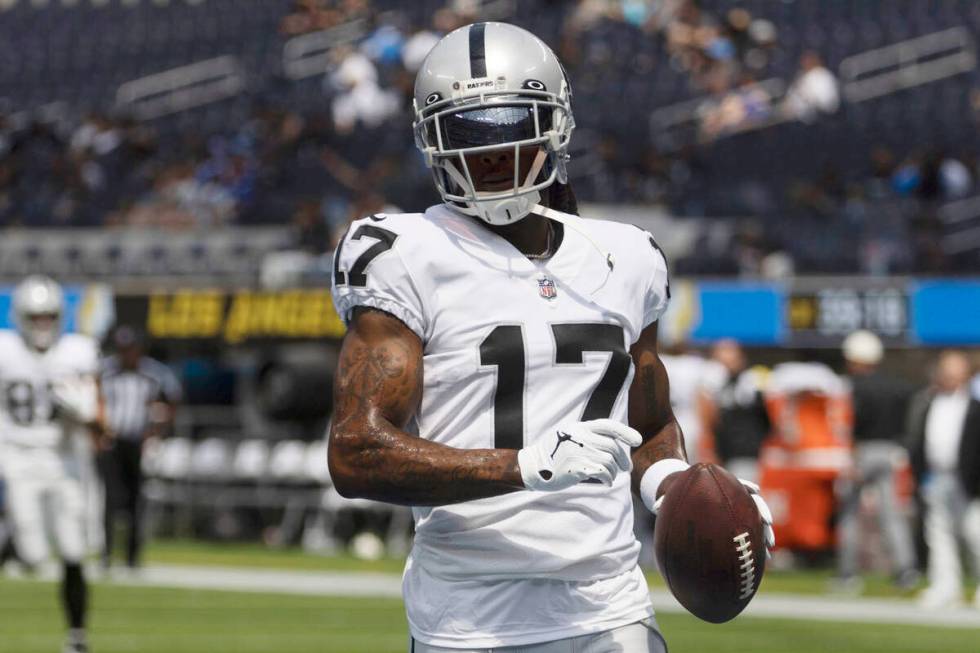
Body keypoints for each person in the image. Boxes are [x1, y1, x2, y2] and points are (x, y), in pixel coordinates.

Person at [328, 22, 774, 652]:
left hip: (610, 607)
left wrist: (677, 487)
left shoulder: (629, 257)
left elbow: (647, 426)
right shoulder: (404, 254)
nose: (489, 155)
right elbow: (356, 452)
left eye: (509, 127)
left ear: (555, 126)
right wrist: (524, 466)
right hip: (470, 618)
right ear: (432, 141)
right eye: (466, 133)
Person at [0, 275, 107, 653]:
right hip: (18, 456)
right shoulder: (5, 350)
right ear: (20, 316)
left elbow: (101, 424)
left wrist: (85, 411)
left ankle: (77, 637)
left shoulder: (77, 352)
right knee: (32, 556)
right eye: (36, 316)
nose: (43, 323)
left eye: (49, 316)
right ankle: (9, 537)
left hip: (65, 459)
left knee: (75, 550)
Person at [833, 330, 919, 593]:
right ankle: (905, 569)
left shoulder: (853, 387)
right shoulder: (898, 386)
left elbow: (849, 425)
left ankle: (847, 573)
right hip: (891, 452)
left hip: (863, 451)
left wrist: (852, 456)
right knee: (891, 514)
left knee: (849, 514)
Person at [98, 326, 181, 571]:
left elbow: (173, 400)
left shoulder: (154, 374)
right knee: (111, 500)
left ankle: (132, 557)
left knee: (136, 501)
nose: (127, 355)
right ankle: (106, 555)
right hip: (112, 442)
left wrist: (157, 431)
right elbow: (94, 400)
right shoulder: (106, 373)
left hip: (138, 442)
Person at [907, 350, 980, 610]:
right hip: (935, 477)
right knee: (937, 534)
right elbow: (917, 441)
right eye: (945, 369)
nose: (948, 375)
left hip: (967, 480)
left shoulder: (974, 406)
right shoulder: (927, 402)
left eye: (954, 369)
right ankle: (946, 586)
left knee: (974, 533)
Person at [698, 339, 769, 484]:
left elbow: (765, 419)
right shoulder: (715, 384)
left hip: (744, 454)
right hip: (721, 454)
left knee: (743, 495)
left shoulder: (751, 381)